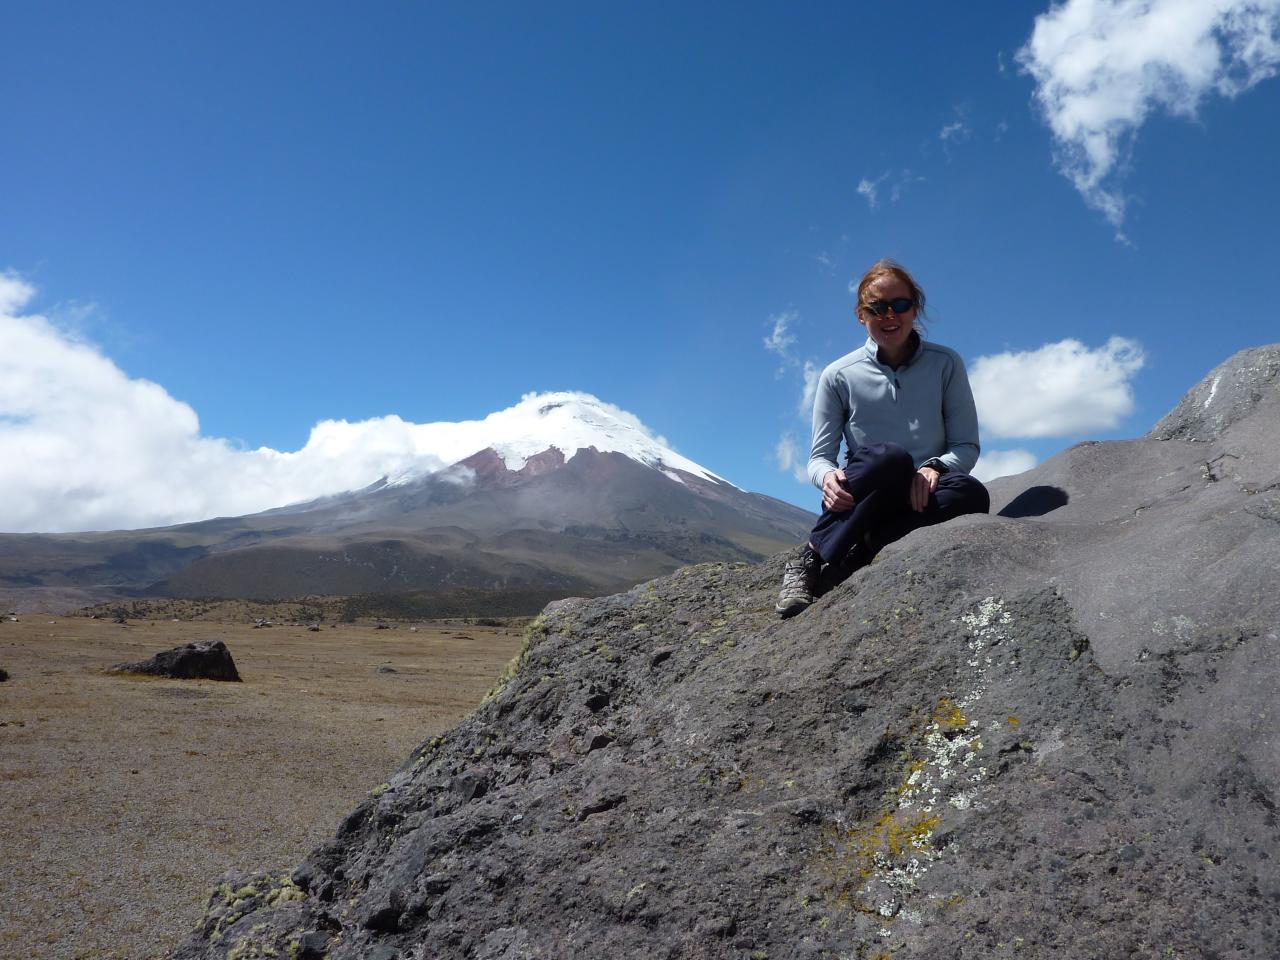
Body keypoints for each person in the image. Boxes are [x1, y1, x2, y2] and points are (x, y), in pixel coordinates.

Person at [776, 259, 990, 617]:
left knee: (972, 494)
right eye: (877, 308)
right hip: (870, 486)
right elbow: (819, 458)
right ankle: (810, 558)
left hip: (921, 495)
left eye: (900, 305)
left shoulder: (945, 364)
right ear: (862, 315)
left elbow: (965, 445)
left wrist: (936, 466)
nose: (890, 315)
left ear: (915, 308)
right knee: (891, 458)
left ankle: (868, 547)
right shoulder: (838, 375)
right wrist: (827, 478)